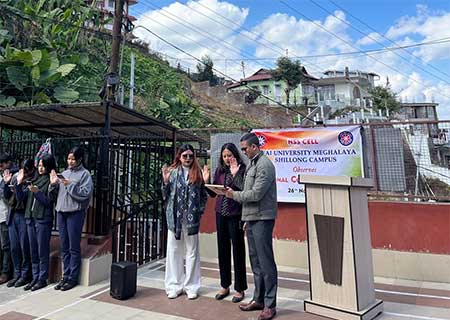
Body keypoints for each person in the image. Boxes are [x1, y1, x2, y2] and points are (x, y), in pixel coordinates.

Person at [225, 132, 278, 320]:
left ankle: (270, 305)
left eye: (245, 148)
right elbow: (246, 190)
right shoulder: (252, 165)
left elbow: (255, 195)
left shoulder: (265, 165)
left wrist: (233, 196)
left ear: (254, 147)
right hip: (252, 217)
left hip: (263, 218)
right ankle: (259, 299)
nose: (243, 151)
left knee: (266, 263)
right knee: (256, 262)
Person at [161, 144, 208, 300]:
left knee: (192, 252)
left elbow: (203, 196)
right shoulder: (172, 173)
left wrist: (199, 211)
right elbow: (164, 196)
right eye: (185, 156)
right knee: (174, 251)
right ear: (179, 157)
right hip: (175, 219)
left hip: (192, 219)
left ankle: (191, 286)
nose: (188, 159)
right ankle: (174, 285)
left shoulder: (198, 174)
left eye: (190, 156)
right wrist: (165, 182)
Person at [50, 146, 93, 291]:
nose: (70, 161)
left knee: (73, 246)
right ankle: (65, 276)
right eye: (69, 158)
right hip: (62, 212)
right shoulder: (64, 173)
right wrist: (53, 184)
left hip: (75, 212)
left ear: (79, 159)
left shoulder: (85, 174)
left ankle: (72, 278)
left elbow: (85, 194)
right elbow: (56, 195)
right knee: (64, 246)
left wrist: (70, 185)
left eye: (73, 159)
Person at [209, 143, 247, 303]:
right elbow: (212, 194)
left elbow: (243, 190)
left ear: (235, 155)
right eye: (224, 156)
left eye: (230, 155)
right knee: (222, 249)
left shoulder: (243, 169)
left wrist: (235, 173)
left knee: (238, 250)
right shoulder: (219, 170)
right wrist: (207, 183)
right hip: (221, 213)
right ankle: (225, 285)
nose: (227, 159)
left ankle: (240, 288)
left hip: (236, 213)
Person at [19, 154, 57, 291]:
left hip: (43, 219)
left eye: (43, 165)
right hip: (31, 217)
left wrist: (37, 193)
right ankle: (35, 277)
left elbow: (49, 202)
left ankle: (42, 278)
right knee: (33, 250)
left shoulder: (50, 180)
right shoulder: (34, 179)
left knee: (42, 250)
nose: (41, 168)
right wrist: (18, 185)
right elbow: (21, 198)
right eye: (39, 165)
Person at [3, 159, 36, 288]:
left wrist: (18, 184)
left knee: (24, 247)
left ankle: (25, 274)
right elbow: (6, 195)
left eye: (25, 169)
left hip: (23, 215)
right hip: (12, 214)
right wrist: (7, 184)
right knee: (14, 247)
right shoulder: (16, 177)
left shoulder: (31, 181)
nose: (23, 172)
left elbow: (21, 198)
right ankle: (17, 274)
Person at [0, 153, 15, 285]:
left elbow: (9, 199)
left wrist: (5, 184)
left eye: (3, 162)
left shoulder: (11, 177)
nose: (1, 165)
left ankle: (6, 272)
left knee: (6, 246)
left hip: (5, 215)